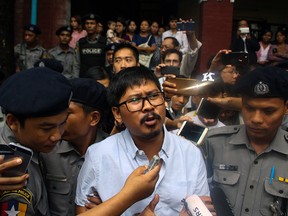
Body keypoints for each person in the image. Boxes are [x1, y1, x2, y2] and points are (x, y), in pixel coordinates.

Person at [75, 66, 210, 215]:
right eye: (135, 100)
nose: (148, 107)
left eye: (153, 96)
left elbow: (203, 210)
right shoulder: (98, 155)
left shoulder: (191, 154)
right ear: (117, 113)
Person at [204, 66, 288, 216]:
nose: (256, 119)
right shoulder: (214, 143)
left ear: (286, 108)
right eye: (249, 108)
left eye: (268, 111)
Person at [0, 67, 72, 215]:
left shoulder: (41, 144)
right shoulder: (7, 168)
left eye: (63, 122)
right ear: (13, 121)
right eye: (46, 128)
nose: (57, 136)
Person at [40, 78, 109, 215]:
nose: (59, 118)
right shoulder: (46, 151)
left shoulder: (113, 154)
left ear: (94, 118)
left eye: (67, 113)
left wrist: (110, 206)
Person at [73, 13, 107, 78]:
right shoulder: (80, 42)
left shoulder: (105, 42)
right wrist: (76, 80)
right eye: (87, 23)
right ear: (84, 26)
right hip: (84, 78)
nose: (89, 26)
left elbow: (107, 64)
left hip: (100, 79)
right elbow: (76, 64)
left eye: (92, 23)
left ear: (97, 25)